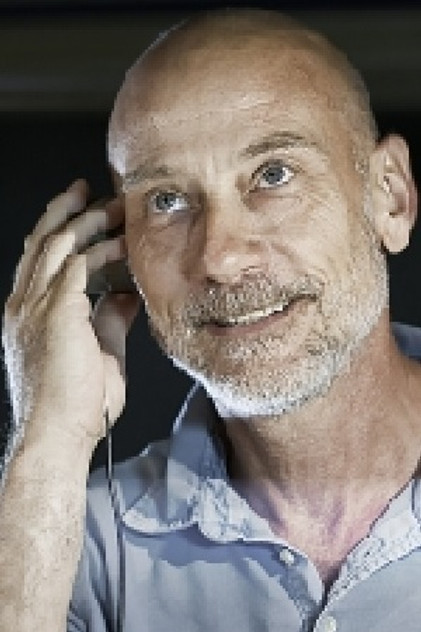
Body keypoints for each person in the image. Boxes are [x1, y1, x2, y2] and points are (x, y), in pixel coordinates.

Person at [1, 8, 421, 632]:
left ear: (391, 196)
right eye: (167, 200)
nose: (219, 259)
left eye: (273, 175)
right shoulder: (65, 546)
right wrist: (47, 441)